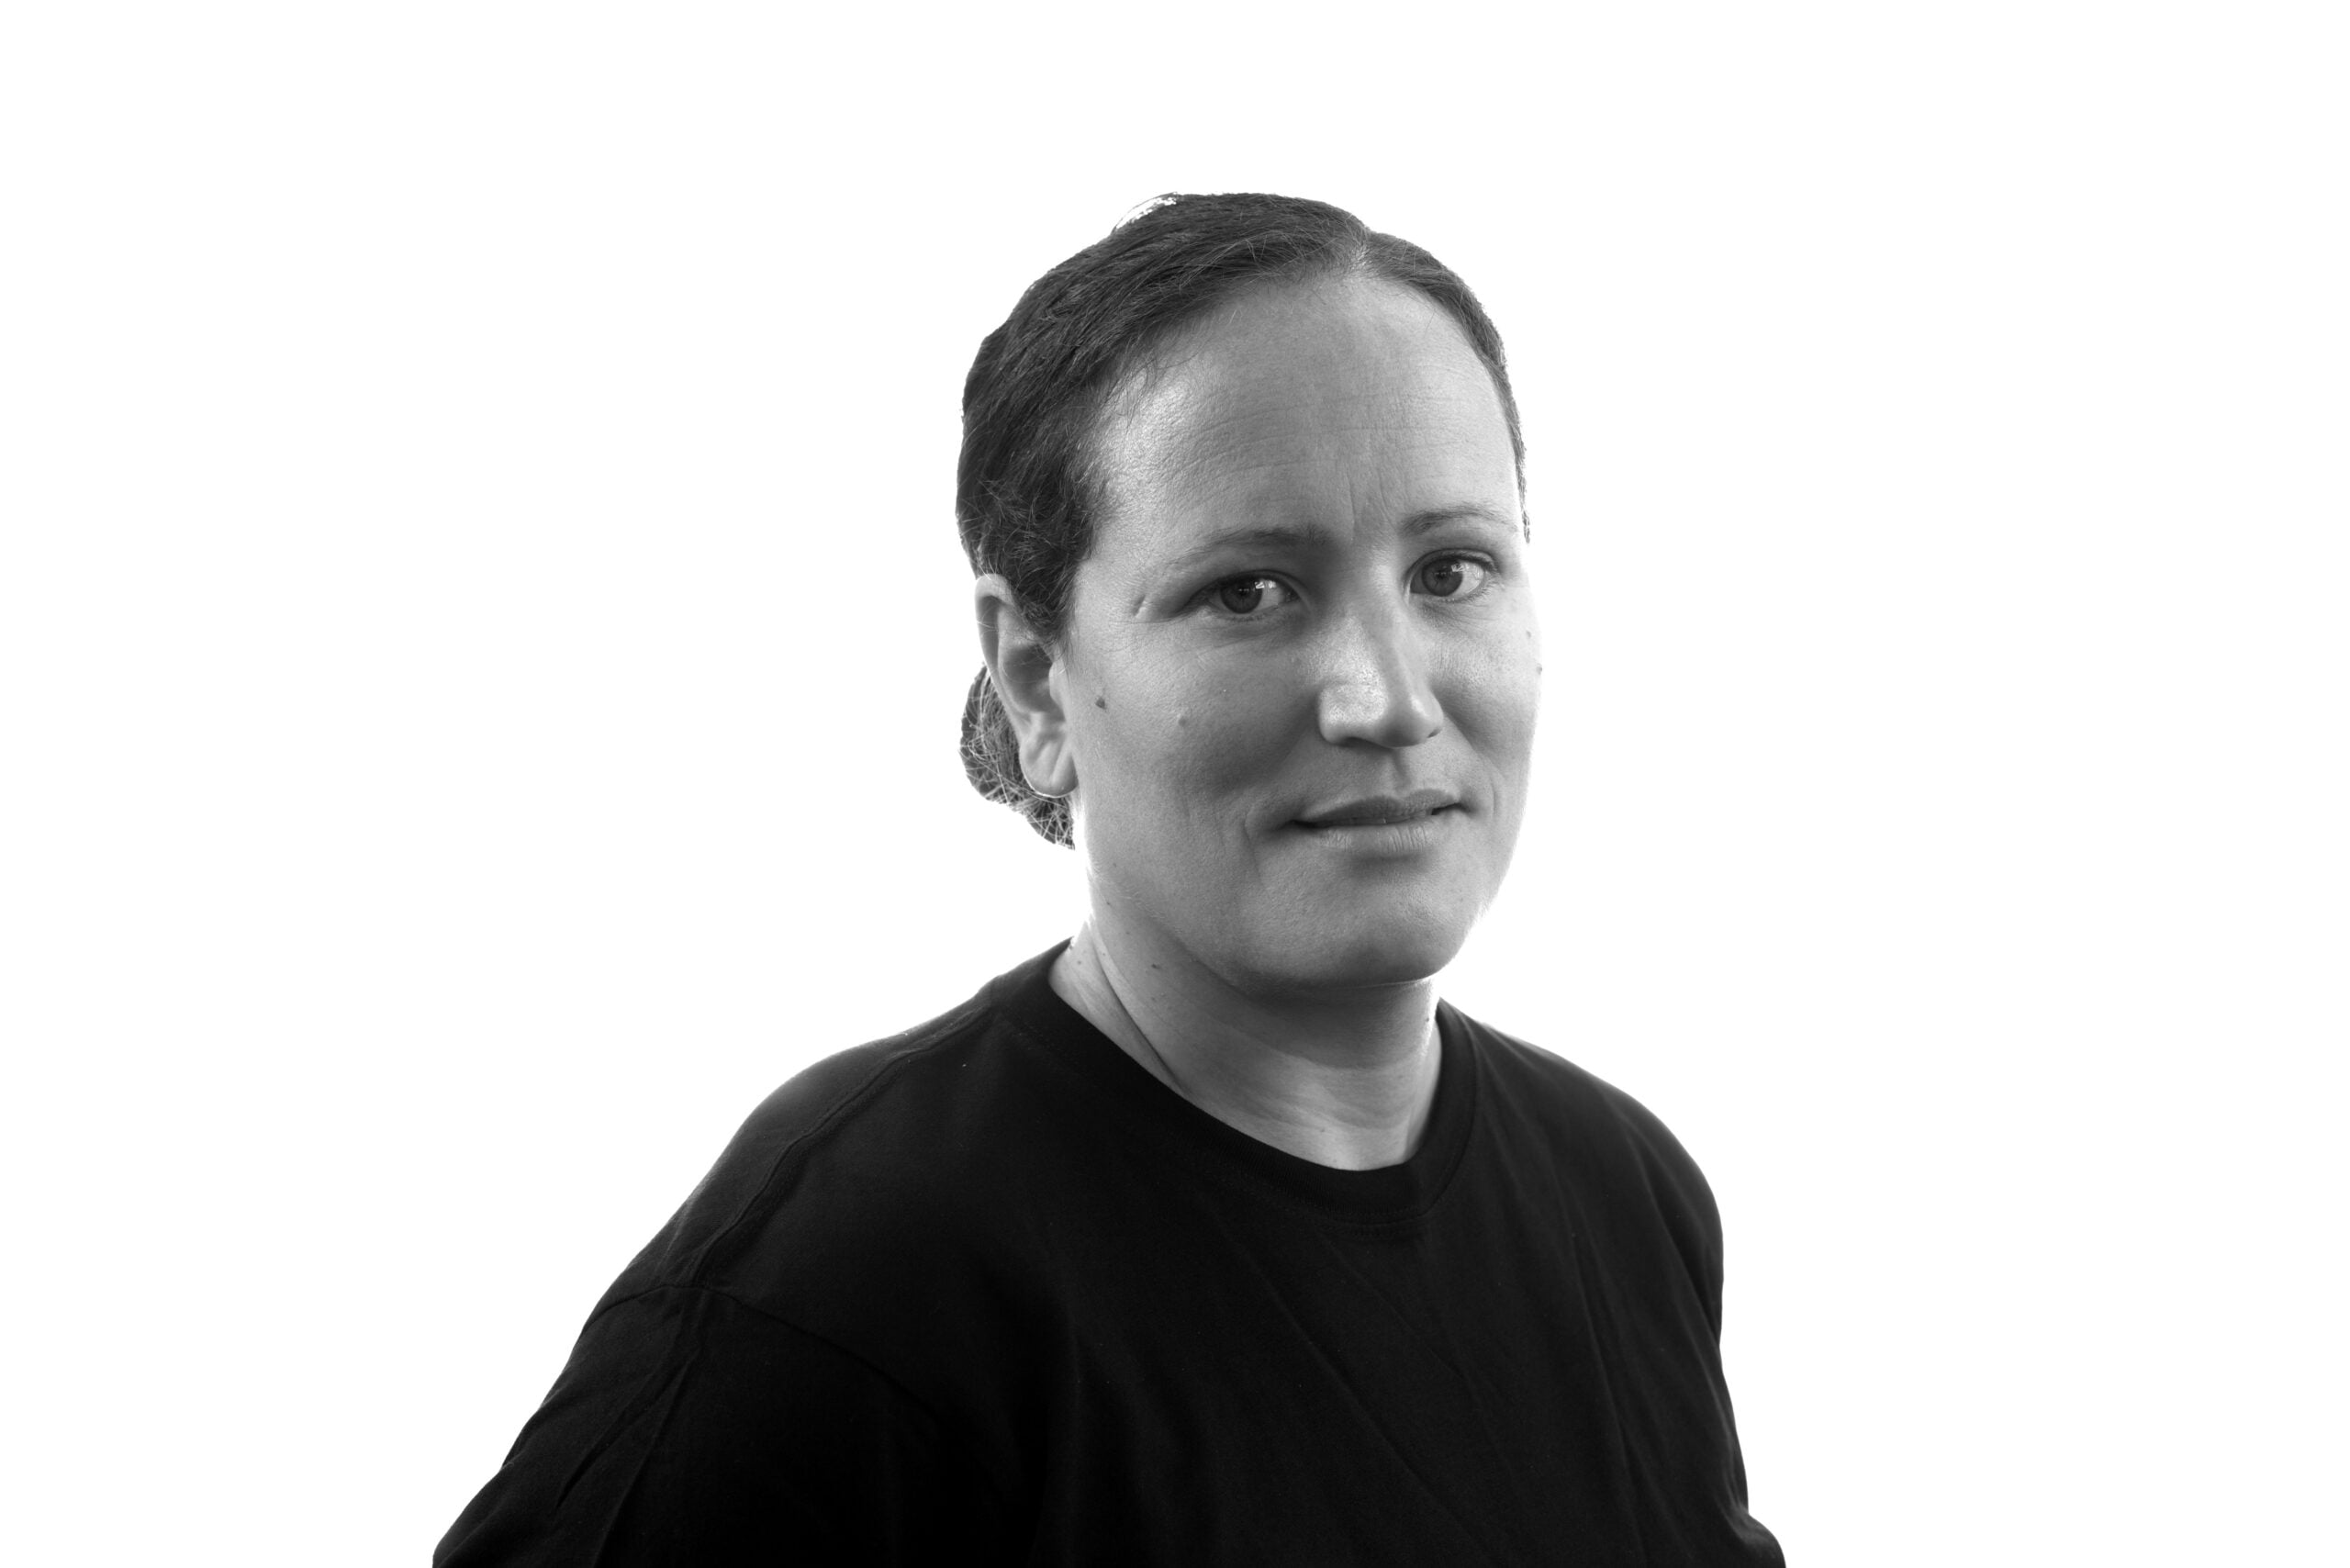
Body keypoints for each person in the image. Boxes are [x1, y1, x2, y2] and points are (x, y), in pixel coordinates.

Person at [436, 192, 1783, 1565]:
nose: (1387, 699)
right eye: (1249, 591)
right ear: (1035, 677)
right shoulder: (851, 1279)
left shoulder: (1625, 1196)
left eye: (1451, 570)